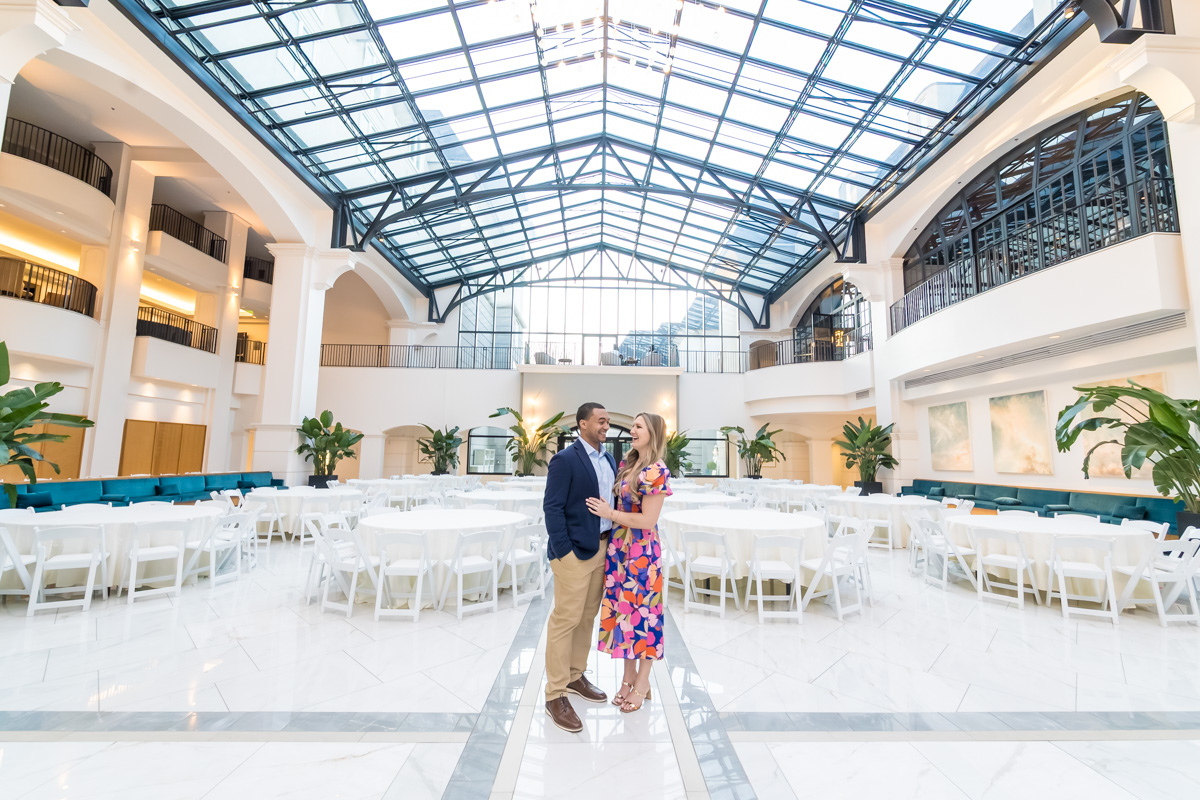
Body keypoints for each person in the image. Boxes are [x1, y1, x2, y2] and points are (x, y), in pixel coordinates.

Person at [585, 411, 671, 713]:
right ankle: (627, 678)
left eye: (638, 426)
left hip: (642, 555)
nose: (631, 431)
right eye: (632, 426)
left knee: (645, 617)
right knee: (625, 616)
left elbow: (648, 520)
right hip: (619, 551)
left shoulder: (657, 470)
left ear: (652, 433)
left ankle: (643, 682)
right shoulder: (628, 464)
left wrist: (611, 515)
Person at [542, 401, 617, 733]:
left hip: (602, 547)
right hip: (573, 553)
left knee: (587, 616)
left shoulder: (609, 458)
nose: (606, 426)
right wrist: (563, 551)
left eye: (608, 421)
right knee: (565, 620)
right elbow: (552, 507)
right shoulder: (565, 460)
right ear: (582, 424)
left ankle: (575, 675)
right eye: (600, 421)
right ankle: (554, 693)